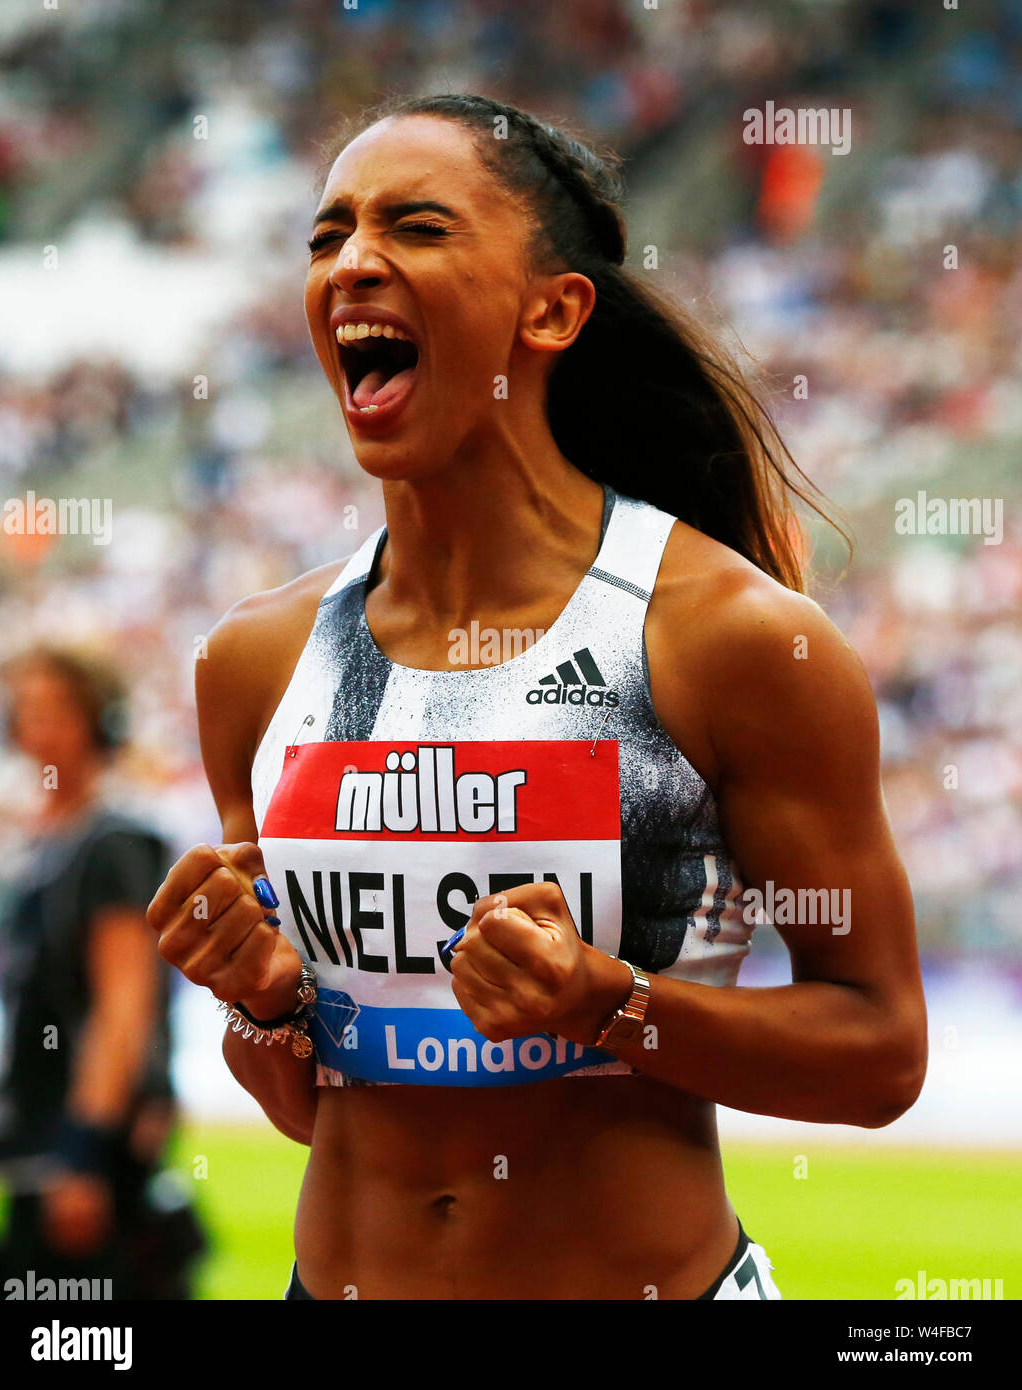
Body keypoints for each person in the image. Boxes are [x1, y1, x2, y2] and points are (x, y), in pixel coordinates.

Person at [147, 93, 928, 1301]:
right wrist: (268, 1002)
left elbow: (879, 1053)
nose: (353, 262)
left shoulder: (728, 640)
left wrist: (606, 1001)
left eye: (415, 227)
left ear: (553, 308)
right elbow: (310, 1106)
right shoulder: (253, 661)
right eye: (327, 235)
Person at [0, 646, 205, 1299]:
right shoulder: (36, 842)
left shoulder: (114, 843)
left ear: (99, 724)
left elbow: (122, 1008)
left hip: (85, 1150)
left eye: (59, 711)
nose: (38, 727)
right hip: (33, 1139)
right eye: (27, 710)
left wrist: (82, 1153)